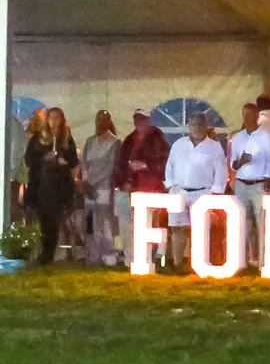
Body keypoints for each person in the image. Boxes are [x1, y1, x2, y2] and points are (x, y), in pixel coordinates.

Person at [163, 111, 228, 270]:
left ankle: (196, 264)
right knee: (177, 228)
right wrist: (170, 186)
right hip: (179, 191)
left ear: (206, 127)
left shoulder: (214, 148)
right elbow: (169, 166)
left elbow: (220, 171)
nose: (197, 128)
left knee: (199, 230)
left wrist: (215, 194)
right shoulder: (179, 144)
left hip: (202, 193)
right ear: (188, 126)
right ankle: (177, 263)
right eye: (194, 125)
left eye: (200, 124)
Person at [112, 109, 169, 263]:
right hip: (131, 189)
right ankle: (130, 258)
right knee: (127, 225)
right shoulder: (129, 140)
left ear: (148, 120)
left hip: (151, 188)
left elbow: (165, 163)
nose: (139, 122)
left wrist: (145, 165)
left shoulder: (158, 140)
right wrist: (122, 181)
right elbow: (120, 164)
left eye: (142, 119)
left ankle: (150, 258)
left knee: (150, 224)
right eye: (137, 119)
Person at [25, 106, 79, 263]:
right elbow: (29, 159)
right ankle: (39, 252)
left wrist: (64, 162)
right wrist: (44, 159)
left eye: (58, 117)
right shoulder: (38, 138)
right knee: (42, 219)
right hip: (41, 185)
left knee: (54, 221)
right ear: (47, 119)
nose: (55, 121)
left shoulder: (66, 138)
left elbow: (73, 160)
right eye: (52, 117)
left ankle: (49, 254)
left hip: (59, 186)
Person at [227, 102, 270, 266]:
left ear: (257, 116)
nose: (247, 118)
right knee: (244, 223)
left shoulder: (265, 136)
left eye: (250, 115)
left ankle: (264, 260)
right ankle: (248, 258)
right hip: (241, 184)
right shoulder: (238, 138)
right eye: (244, 115)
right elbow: (232, 164)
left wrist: (268, 178)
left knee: (261, 222)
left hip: (259, 184)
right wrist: (241, 161)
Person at [81, 110, 122, 266]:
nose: (100, 122)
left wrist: (94, 184)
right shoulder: (90, 141)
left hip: (104, 187)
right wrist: (85, 183)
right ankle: (93, 254)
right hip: (89, 188)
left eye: (104, 119)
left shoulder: (115, 142)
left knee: (105, 222)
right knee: (91, 223)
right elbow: (84, 163)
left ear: (109, 121)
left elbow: (111, 167)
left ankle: (109, 256)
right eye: (98, 119)